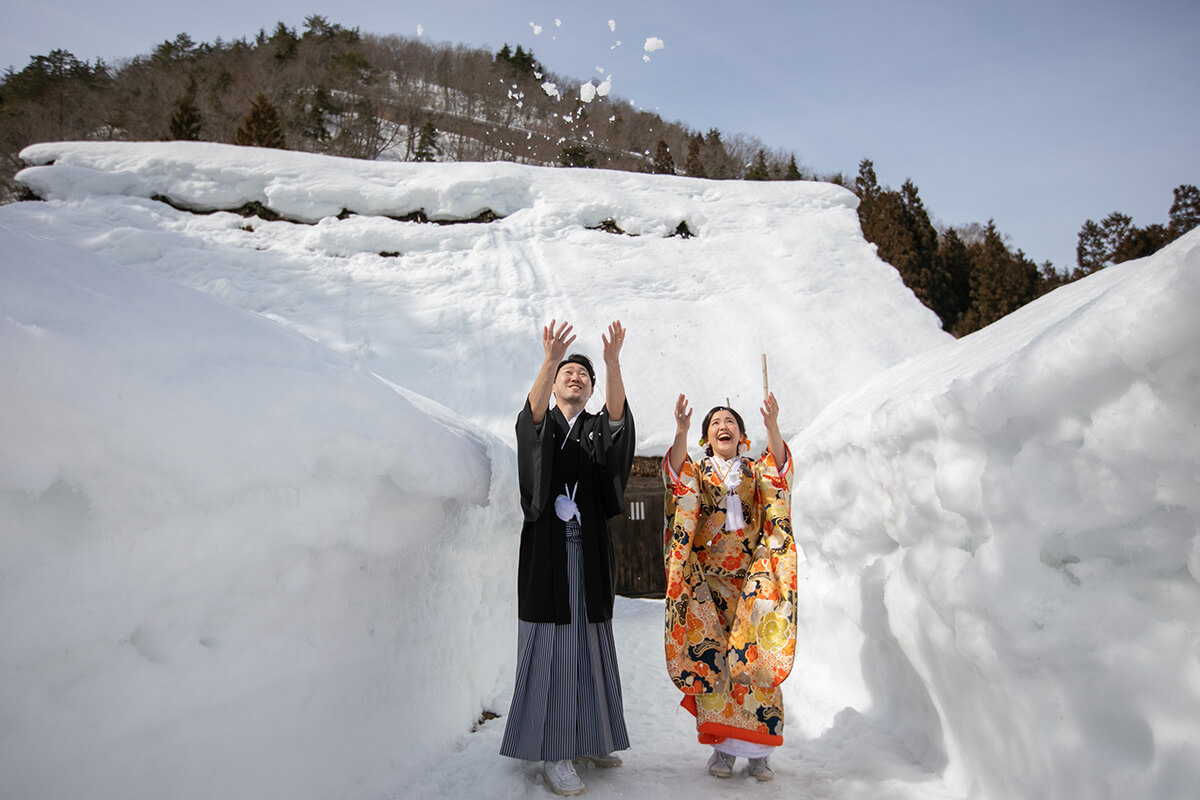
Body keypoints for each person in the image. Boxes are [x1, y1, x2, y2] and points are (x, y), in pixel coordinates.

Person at [500, 319, 635, 797]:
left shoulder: (597, 428)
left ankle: (594, 736)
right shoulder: (545, 422)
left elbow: (618, 421)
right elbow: (530, 418)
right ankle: (556, 753)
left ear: (592, 388)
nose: (575, 377)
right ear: (556, 381)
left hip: (589, 554)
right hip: (548, 557)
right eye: (567, 373)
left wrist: (613, 361)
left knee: (591, 643)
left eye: (584, 374)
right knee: (555, 648)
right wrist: (549, 358)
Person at [661, 392, 797, 782]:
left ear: (742, 436)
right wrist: (681, 431)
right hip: (709, 586)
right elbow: (678, 481)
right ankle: (722, 748)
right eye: (715, 422)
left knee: (757, 662)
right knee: (715, 666)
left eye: (730, 422)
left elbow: (780, 476)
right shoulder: (700, 473)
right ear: (707, 437)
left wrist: (773, 425)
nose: (723, 426)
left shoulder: (755, 472)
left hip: (754, 582)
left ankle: (760, 754)